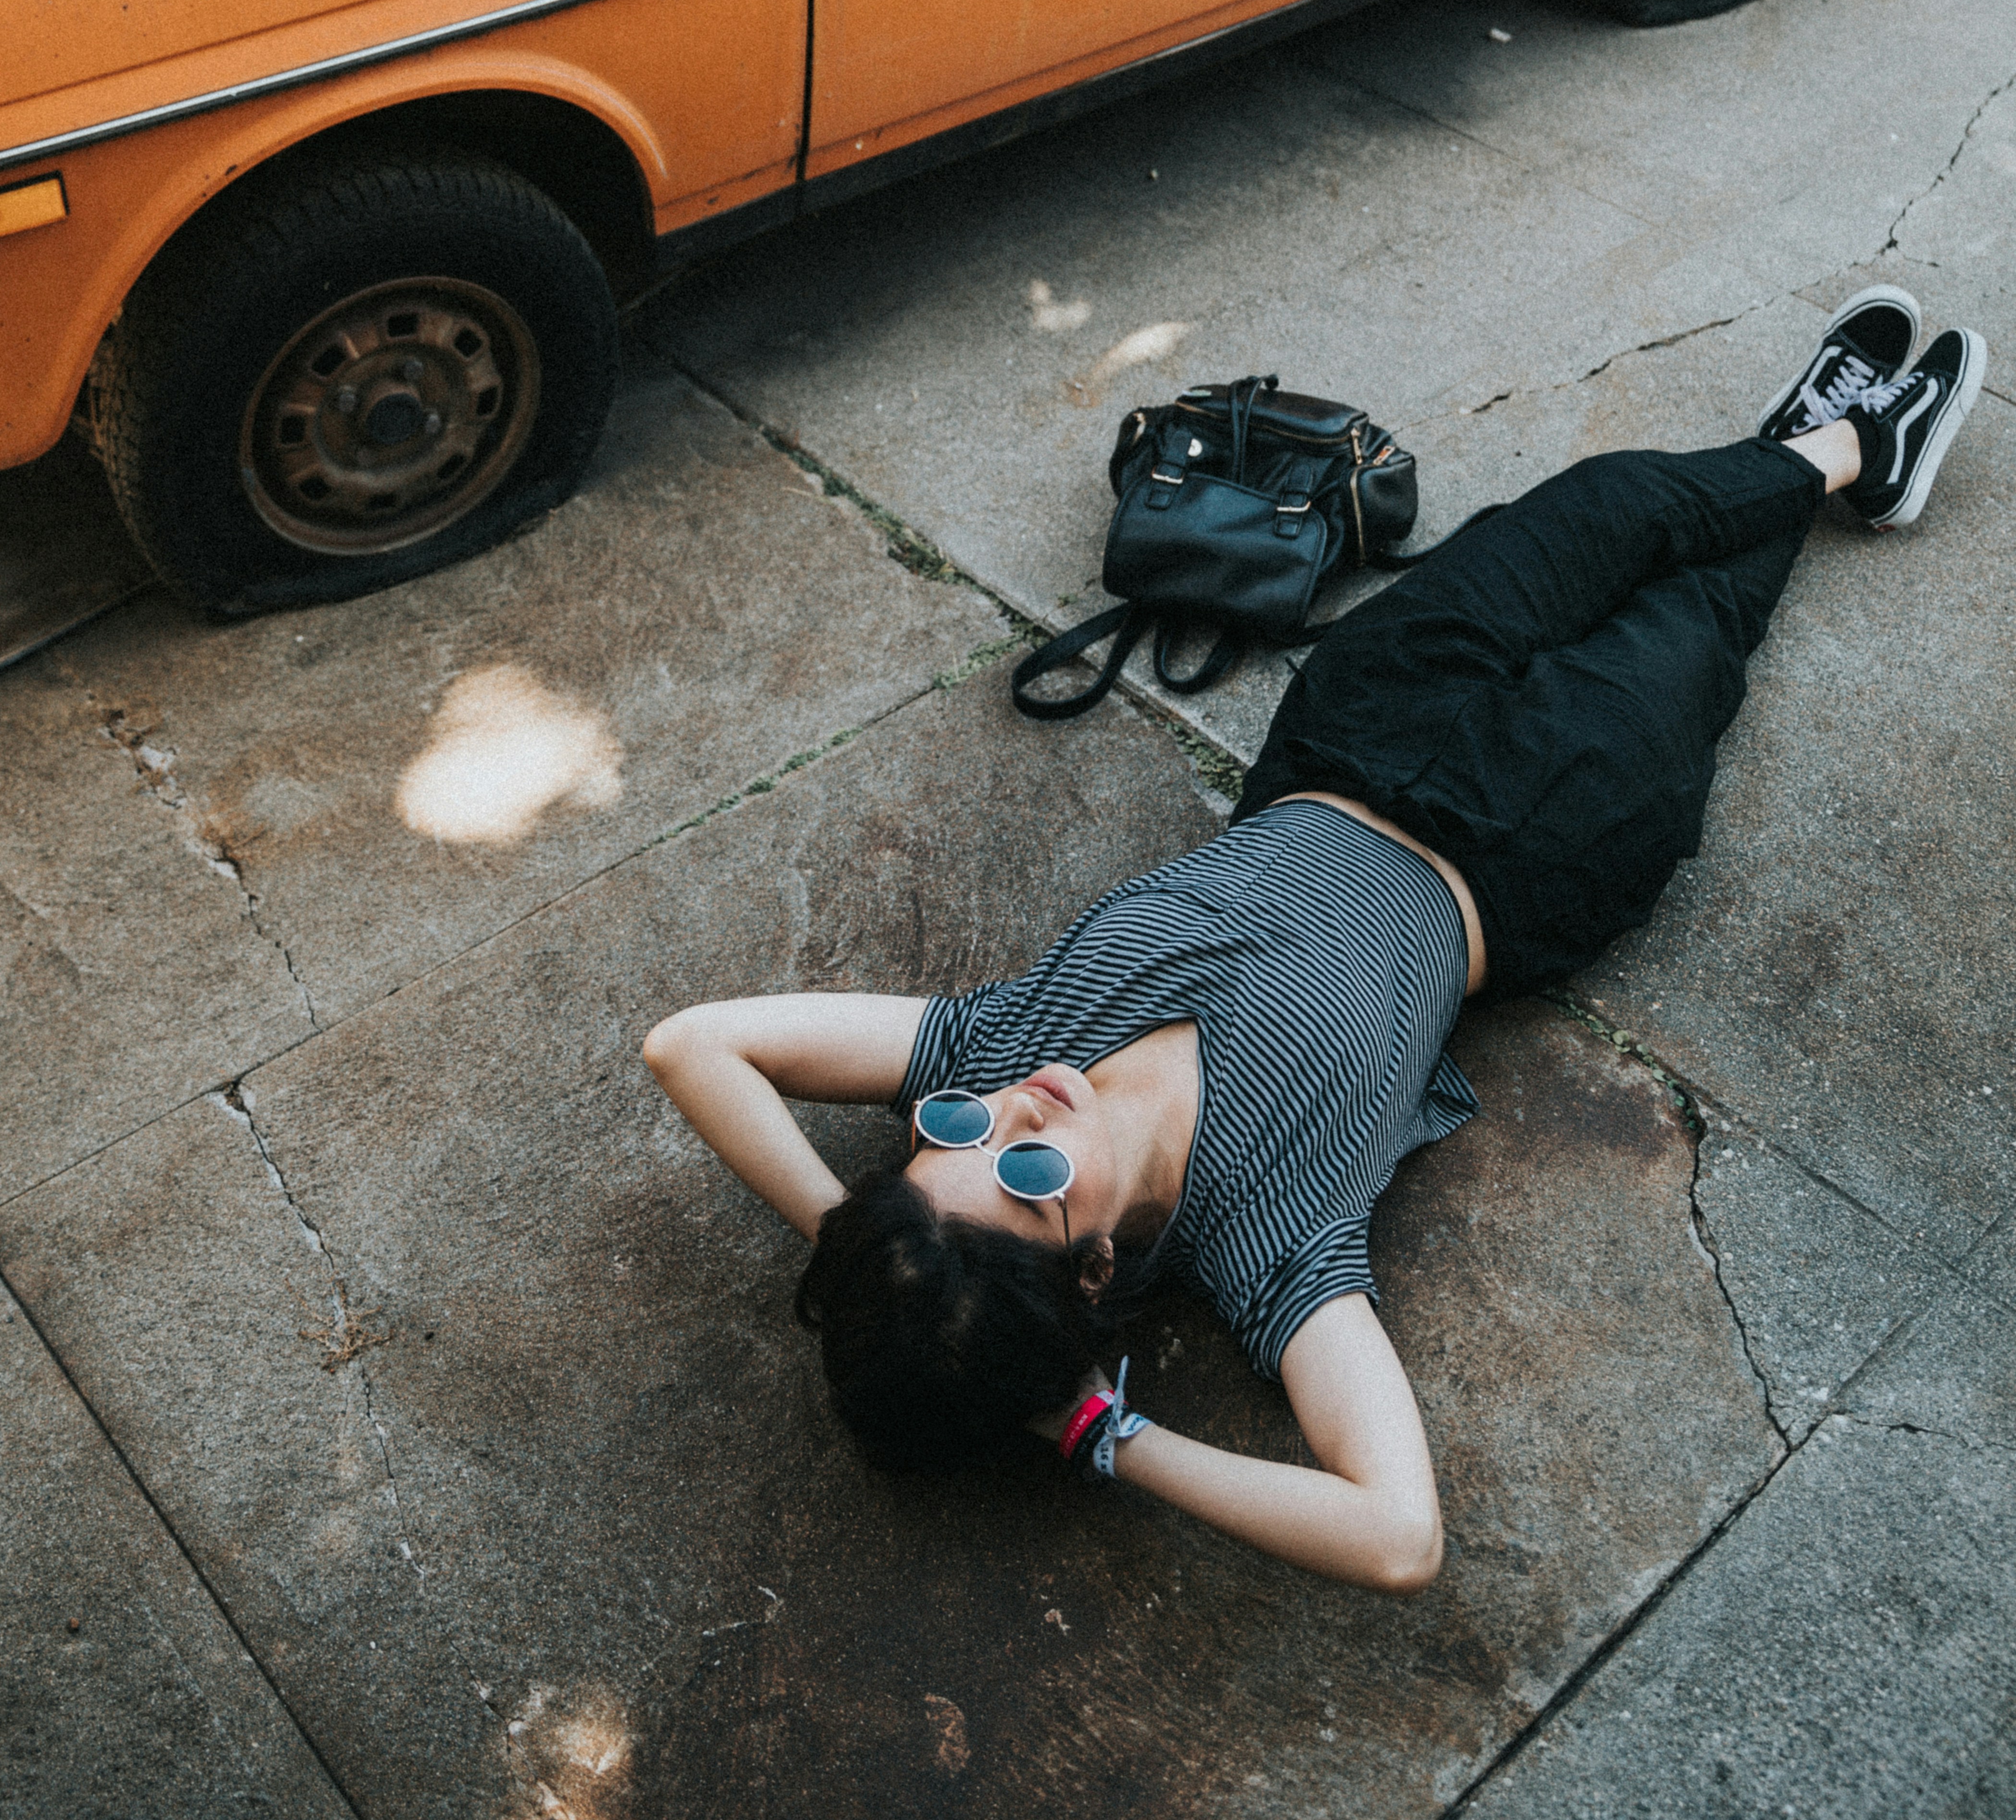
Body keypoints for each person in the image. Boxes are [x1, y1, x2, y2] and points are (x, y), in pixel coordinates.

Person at [643, 295, 1985, 1594]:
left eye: (960, 1133)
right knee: (1686, 625)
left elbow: (691, 1044)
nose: (1020, 1110)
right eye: (1036, 1172)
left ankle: (1822, 448)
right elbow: (1398, 1537)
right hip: (1533, 841)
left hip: (1350, 738)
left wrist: (884, 1254)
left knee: (1602, 509)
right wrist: (1098, 1430)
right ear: (1100, 1266)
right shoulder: (1264, 1239)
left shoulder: (998, 1050)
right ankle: (1848, 451)